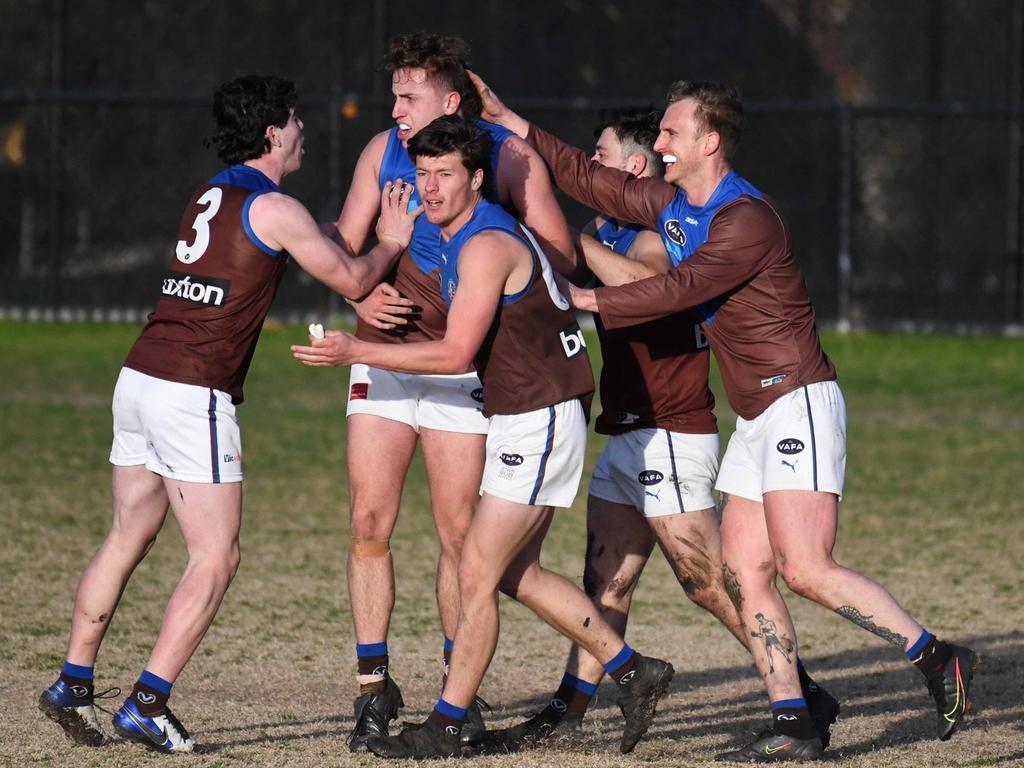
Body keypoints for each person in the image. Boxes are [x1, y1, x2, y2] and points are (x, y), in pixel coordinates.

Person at [470, 72, 977, 762]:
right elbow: (591, 182)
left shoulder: (746, 219)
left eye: (673, 133)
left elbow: (681, 287)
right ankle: (795, 719)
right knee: (744, 575)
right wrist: (511, 119)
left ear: (710, 140)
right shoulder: (677, 205)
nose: (661, 145)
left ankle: (936, 656)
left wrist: (589, 301)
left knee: (804, 568)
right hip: (756, 414)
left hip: (798, 397)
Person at [37, 74, 419, 754]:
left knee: (129, 532)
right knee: (216, 556)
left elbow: (291, 247)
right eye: (296, 120)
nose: (304, 129)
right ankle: (148, 703)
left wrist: (348, 242)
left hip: (141, 375)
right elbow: (356, 279)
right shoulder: (274, 206)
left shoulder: (214, 191)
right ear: (272, 131)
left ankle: (73, 680)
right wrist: (390, 240)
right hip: (193, 393)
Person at [293, 115, 674, 760]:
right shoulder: (457, 235)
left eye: (445, 175)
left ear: (476, 179)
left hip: (542, 413)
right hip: (531, 411)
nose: (430, 187)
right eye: (422, 174)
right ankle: (635, 672)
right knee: (509, 571)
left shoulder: (484, 245)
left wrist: (359, 348)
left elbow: (455, 353)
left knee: (475, 567)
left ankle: (448, 721)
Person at [492, 108, 839, 752]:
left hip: (672, 431)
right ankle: (570, 707)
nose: (590, 166)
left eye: (602, 155)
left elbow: (652, 283)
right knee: (605, 579)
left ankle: (801, 695)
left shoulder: (662, 230)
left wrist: (573, 245)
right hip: (625, 429)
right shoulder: (608, 224)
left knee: (708, 583)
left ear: (634, 166)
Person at [324, 32, 576, 751]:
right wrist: (358, 299)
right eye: (393, 94)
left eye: (408, 95)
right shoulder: (381, 152)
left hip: (462, 370)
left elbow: (552, 251)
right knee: (369, 519)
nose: (395, 107)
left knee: (459, 534)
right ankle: (373, 688)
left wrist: (503, 300)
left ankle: (453, 695)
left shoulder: (499, 157)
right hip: (386, 359)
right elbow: (344, 246)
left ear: (451, 99)